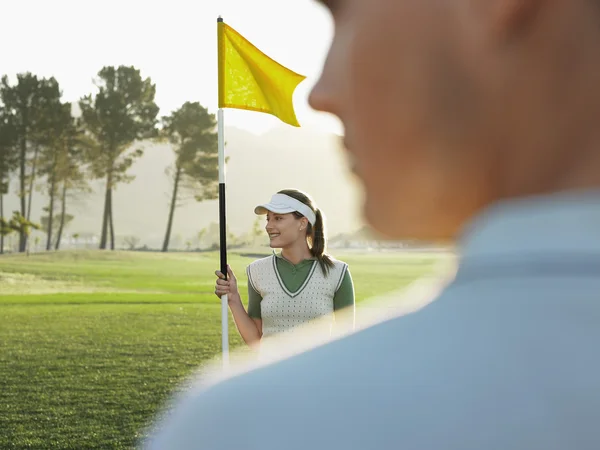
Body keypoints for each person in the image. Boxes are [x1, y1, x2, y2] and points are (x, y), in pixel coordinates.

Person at [144, 1, 600, 449]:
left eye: (342, 12)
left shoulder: (243, 422)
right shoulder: (258, 297)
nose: (318, 93)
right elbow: (259, 337)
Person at [214, 189, 355, 349]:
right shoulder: (257, 271)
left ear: (302, 223)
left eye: (278, 218)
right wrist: (233, 298)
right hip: (272, 372)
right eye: (268, 219)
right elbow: (256, 340)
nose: (268, 226)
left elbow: (346, 340)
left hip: (318, 372)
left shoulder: (337, 272)